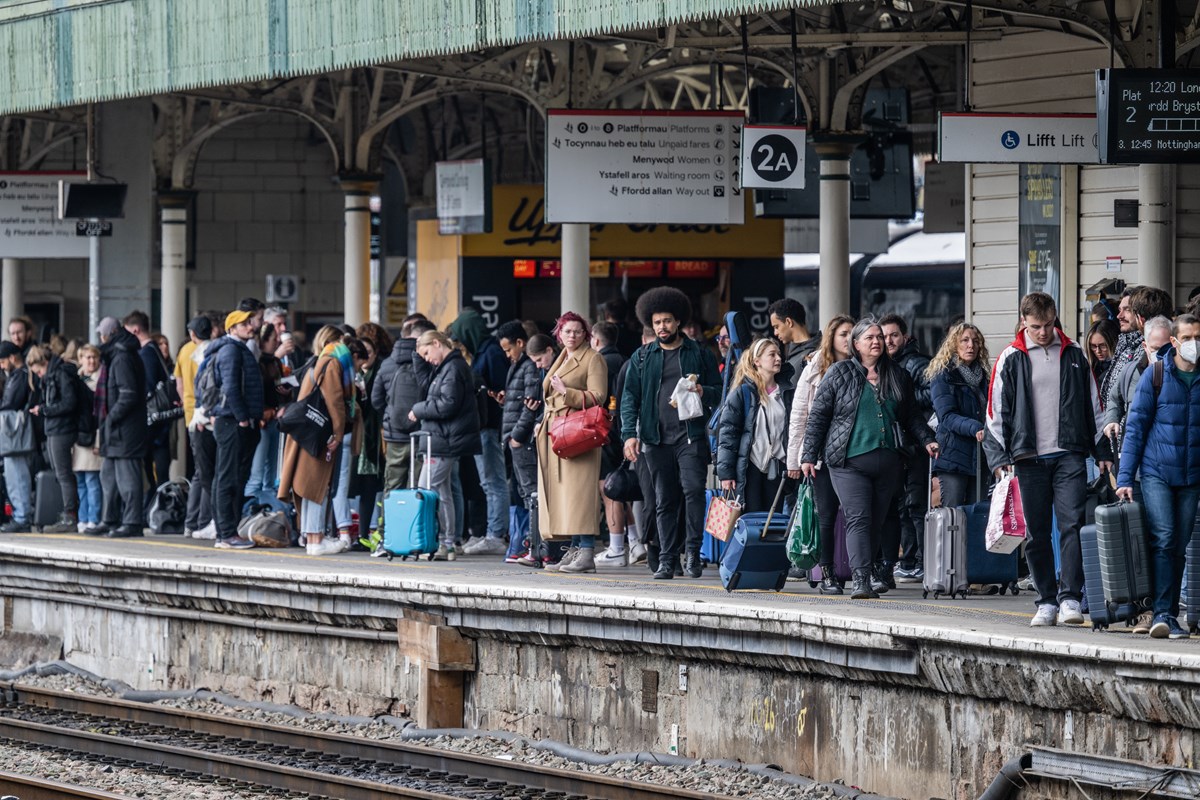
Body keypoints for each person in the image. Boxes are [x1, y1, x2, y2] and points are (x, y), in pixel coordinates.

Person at [986, 292, 1110, 628]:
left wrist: (1102, 452)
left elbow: (1093, 406)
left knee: (1070, 525)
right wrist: (999, 458)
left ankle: (1070, 597)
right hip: (1028, 458)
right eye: (1036, 326)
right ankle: (1045, 600)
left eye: (1048, 325)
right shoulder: (1010, 358)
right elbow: (996, 413)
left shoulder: (1073, 354)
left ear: (1056, 318)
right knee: (1037, 533)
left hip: (1068, 452)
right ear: (1024, 322)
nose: (1043, 332)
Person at [800, 318, 937, 600]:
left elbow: (911, 414)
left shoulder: (897, 374)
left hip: (888, 462)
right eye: (870, 337)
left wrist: (927, 439)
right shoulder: (839, 373)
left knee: (875, 520)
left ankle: (869, 570)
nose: (877, 342)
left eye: (879, 337)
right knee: (858, 518)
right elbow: (818, 417)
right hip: (848, 462)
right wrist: (808, 455)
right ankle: (861, 579)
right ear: (856, 344)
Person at [620, 288, 720, 579]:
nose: (662, 327)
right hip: (655, 438)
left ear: (678, 323)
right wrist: (629, 434)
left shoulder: (699, 353)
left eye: (667, 321)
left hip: (691, 436)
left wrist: (705, 391)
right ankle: (666, 558)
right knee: (664, 499)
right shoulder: (642, 357)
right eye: (657, 322)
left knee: (692, 491)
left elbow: (719, 392)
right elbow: (630, 398)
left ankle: (693, 553)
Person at [1116, 313, 1200, 640]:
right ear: (1175, 342)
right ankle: (1162, 613)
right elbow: (1135, 428)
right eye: (1189, 338)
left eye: (1198, 336)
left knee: (1178, 545)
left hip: (1191, 476)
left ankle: (1168, 613)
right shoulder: (1158, 374)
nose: (1195, 344)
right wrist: (1125, 478)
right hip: (1157, 472)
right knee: (1164, 538)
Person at [278, 335, 368, 556]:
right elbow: (335, 399)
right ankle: (316, 538)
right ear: (352, 355)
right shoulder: (334, 363)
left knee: (310, 486)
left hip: (309, 431)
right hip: (320, 432)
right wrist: (338, 434)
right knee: (317, 486)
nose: (357, 369)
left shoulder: (324, 358)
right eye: (358, 364)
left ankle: (312, 538)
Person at [785, 314, 854, 593]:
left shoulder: (861, 367)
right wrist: (797, 458)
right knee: (825, 513)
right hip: (821, 454)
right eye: (843, 334)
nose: (849, 339)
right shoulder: (814, 367)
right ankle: (826, 572)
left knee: (856, 514)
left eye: (853, 333)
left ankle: (859, 569)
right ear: (831, 338)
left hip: (854, 451)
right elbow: (800, 414)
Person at [535, 312, 608, 573]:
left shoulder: (593, 358)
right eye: (567, 331)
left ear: (586, 334)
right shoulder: (563, 357)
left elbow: (599, 396)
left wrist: (567, 393)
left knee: (580, 494)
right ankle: (575, 549)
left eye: (577, 331)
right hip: (559, 432)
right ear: (559, 333)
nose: (572, 336)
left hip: (579, 434)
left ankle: (586, 551)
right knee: (567, 494)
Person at [408, 330, 481, 561]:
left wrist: (418, 409)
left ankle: (440, 541)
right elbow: (427, 383)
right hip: (443, 438)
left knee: (424, 488)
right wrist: (417, 355)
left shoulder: (452, 368)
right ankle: (447, 543)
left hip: (445, 440)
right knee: (443, 491)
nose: (427, 359)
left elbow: (447, 404)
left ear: (438, 344)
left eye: (428, 352)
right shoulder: (447, 367)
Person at [448, 309, 510, 556]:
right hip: (483, 427)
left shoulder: (491, 353)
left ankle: (496, 534)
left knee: (493, 480)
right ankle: (492, 531)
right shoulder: (486, 352)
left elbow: (500, 391)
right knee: (488, 481)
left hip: (489, 426)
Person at [879, 313, 933, 586]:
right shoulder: (886, 365)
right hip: (899, 446)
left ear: (905, 336)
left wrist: (903, 396)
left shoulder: (916, 363)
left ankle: (918, 562)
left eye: (894, 335)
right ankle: (909, 561)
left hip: (915, 444)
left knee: (915, 505)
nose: (888, 341)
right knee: (901, 506)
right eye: (884, 336)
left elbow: (933, 393)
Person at [206, 308, 264, 550]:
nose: (250, 327)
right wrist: (242, 418)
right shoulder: (230, 350)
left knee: (232, 476)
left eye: (250, 322)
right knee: (227, 477)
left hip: (234, 420)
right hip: (231, 421)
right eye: (244, 324)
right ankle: (226, 533)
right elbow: (230, 387)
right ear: (232, 329)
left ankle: (228, 531)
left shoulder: (238, 349)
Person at [717, 338, 794, 512]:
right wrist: (726, 474)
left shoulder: (786, 392)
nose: (778, 359)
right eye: (772, 355)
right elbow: (728, 435)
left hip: (779, 466)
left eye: (779, 354)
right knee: (751, 520)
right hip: (750, 467)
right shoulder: (743, 393)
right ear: (756, 361)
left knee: (774, 521)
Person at [926, 322, 991, 509]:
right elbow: (946, 415)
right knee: (952, 513)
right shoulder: (943, 375)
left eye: (975, 341)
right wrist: (976, 427)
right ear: (954, 344)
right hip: (953, 454)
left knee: (978, 512)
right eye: (965, 340)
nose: (971, 345)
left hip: (980, 455)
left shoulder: (984, 378)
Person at [94, 316, 148, 538]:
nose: (100, 337)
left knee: (128, 478)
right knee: (109, 477)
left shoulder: (122, 357)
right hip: (116, 428)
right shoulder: (117, 355)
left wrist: (111, 418)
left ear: (110, 334)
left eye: (102, 333)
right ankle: (110, 519)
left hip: (125, 428)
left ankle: (132, 521)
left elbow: (128, 394)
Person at [496, 321, 542, 564]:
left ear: (520, 343)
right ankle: (520, 544)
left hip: (521, 440)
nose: (507, 354)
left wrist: (517, 436)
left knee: (528, 491)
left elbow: (530, 403)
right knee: (519, 491)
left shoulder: (528, 367)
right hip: (514, 437)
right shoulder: (519, 366)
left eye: (508, 349)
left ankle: (529, 544)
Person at [374, 317, 435, 495]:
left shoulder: (386, 364)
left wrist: (390, 414)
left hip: (394, 435)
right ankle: (414, 523)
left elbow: (376, 400)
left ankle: (386, 523)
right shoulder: (430, 363)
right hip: (422, 434)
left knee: (392, 485)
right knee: (417, 486)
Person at [27, 344, 80, 533]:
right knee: (60, 473)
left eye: (39, 371)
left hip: (62, 429)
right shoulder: (51, 376)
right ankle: (67, 513)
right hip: (54, 428)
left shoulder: (60, 374)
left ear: (45, 362)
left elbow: (69, 402)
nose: (39, 375)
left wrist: (44, 410)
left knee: (64, 474)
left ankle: (70, 515)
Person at [592, 321, 630, 567]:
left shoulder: (600, 364)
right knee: (623, 488)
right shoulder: (626, 361)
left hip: (605, 432)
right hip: (623, 432)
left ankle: (616, 547)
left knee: (609, 490)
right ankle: (634, 542)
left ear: (596, 341)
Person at [1104, 315, 1173, 453]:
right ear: (1145, 346)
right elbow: (1114, 399)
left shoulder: (1181, 375)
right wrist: (1112, 419)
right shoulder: (1130, 371)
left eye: (1166, 348)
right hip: (1135, 451)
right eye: (1155, 349)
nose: (1160, 354)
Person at [124, 310, 174, 491]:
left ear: (135, 330)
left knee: (155, 471)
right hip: (159, 423)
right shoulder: (153, 351)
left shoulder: (147, 354)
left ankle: (157, 507)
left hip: (154, 423)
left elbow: (148, 386)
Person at [178, 316, 215, 539]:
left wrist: (187, 406)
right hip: (207, 419)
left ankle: (192, 522)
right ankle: (200, 521)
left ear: (192, 334)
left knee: (200, 472)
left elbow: (179, 384)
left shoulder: (184, 352)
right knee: (207, 472)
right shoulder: (212, 351)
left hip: (191, 415)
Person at [244, 324, 287, 503]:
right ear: (263, 341)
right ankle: (250, 511)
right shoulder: (256, 363)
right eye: (273, 338)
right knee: (257, 474)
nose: (277, 341)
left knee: (269, 476)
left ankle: (268, 511)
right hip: (262, 420)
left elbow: (276, 388)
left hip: (274, 419)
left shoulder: (275, 362)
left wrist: (286, 390)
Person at [0, 342, 34, 532]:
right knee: (13, 475)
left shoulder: (19, 376)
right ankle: (20, 514)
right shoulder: (16, 376)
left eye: (3, 361)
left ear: (13, 358)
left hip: (15, 434)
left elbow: (10, 403)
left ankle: (22, 516)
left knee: (17, 476)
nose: (2, 366)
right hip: (12, 435)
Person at [72, 344, 103, 533]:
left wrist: (99, 441)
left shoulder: (101, 380)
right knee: (81, 483)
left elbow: (100, 416)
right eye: (87, 357)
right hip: (77, 439)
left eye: (94, 357)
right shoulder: (76, 379)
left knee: (92, 481)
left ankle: (94, 518)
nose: (91, 361)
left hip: (92, 438)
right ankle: (83, 518)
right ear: (81, 359)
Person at [769, 298, 820, 378]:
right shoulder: (793, 354)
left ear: (789, 322)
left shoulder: (818, 354)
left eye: (776, 327)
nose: (775, 333)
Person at [1085, 318, 1119, 386]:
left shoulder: (1119, 367)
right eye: (1093, 346)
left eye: (1103, 346)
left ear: (1112, 343)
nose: (1098, 351)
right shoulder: (1091, 367)